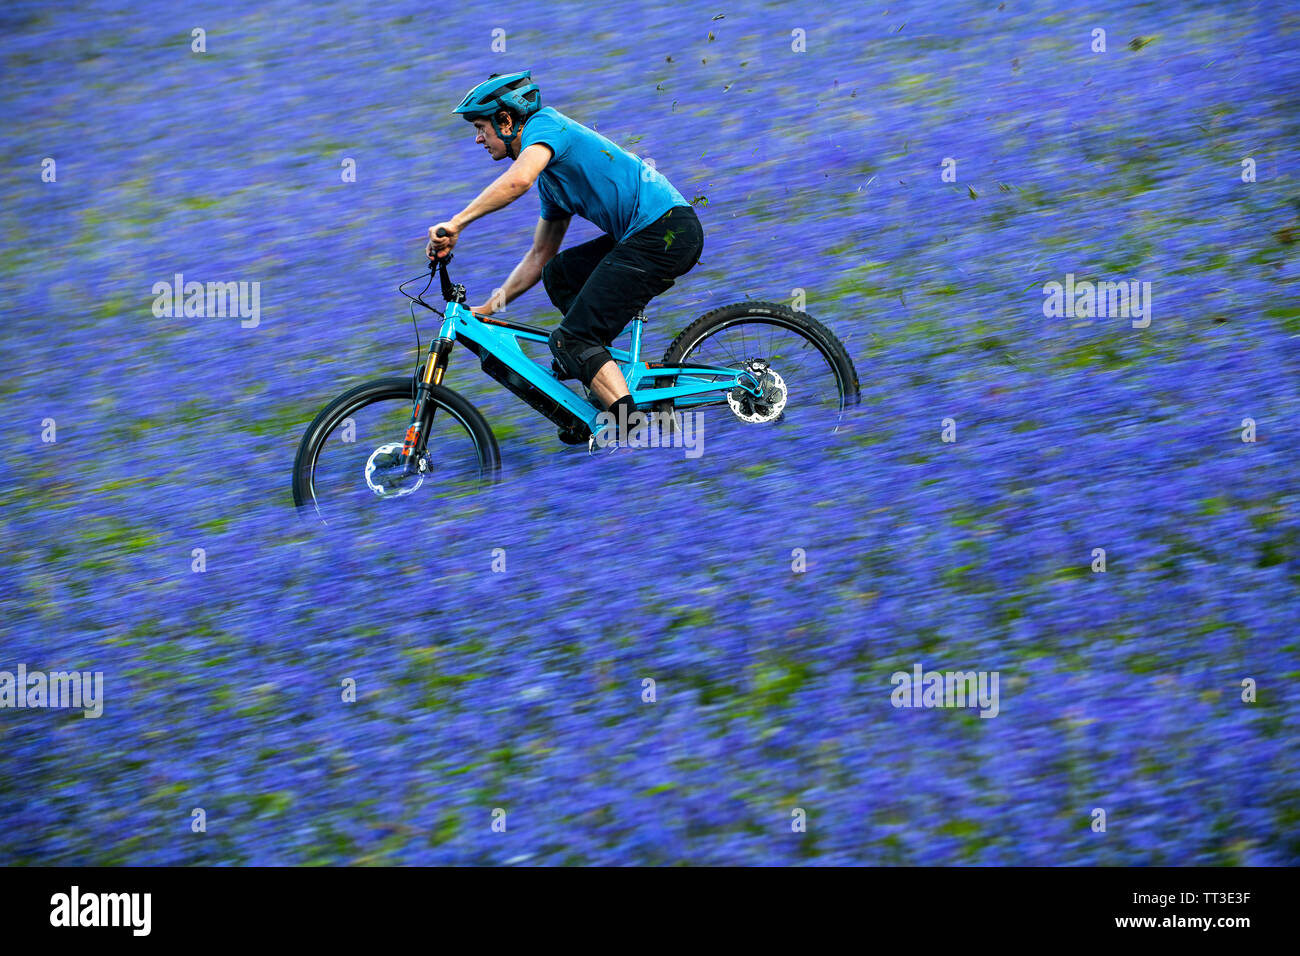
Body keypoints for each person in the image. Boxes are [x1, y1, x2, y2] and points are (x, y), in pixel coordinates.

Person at [426, 70, 704, 446]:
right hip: (650, 233)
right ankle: (605, 371)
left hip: (667, 232)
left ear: (506, 121)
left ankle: (638, 435)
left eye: (480, 127)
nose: (478, 138)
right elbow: (540, 256)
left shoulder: (547, 126)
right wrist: (488, 307)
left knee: (570, 342)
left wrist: (457, 222)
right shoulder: (552, 183)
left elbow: (516, 181)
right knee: (559, 273)